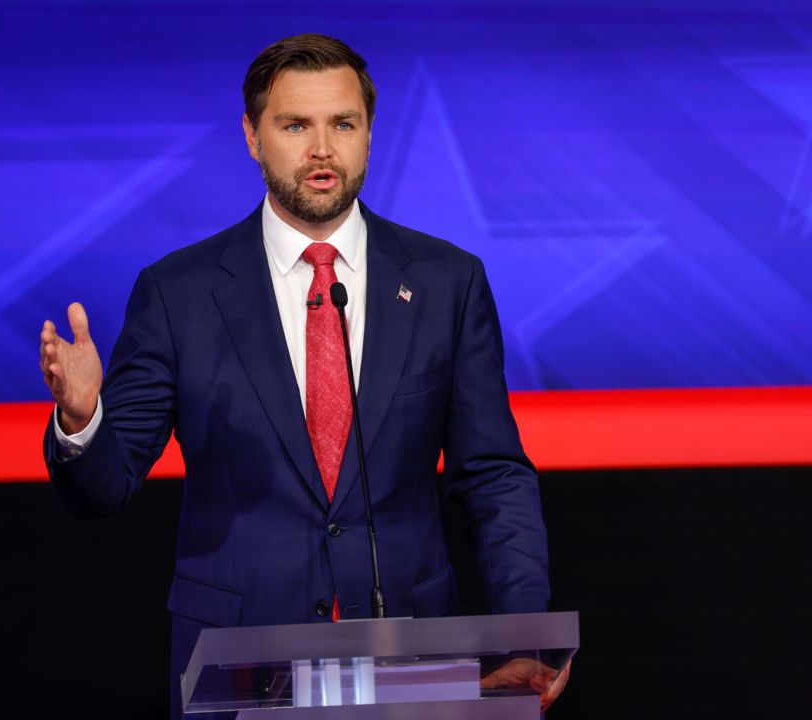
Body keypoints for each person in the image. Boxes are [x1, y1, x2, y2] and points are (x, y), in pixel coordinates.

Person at [39, 33, 564, 716]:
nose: (322, 150)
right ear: (253, 136)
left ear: (369, 133)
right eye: (295, 125)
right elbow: (104, 488)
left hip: (408, 665)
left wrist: (525, 632)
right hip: (240, 670)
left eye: (342, 124)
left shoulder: (446, 283)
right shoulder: (180, 293)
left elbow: (492, 474)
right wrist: (83, 421)